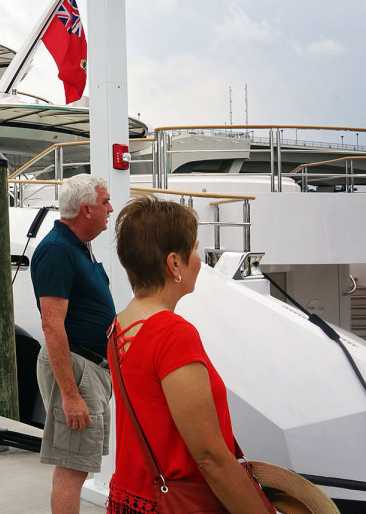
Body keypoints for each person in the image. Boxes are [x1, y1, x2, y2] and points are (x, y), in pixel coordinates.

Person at [107, 196, 272, 514]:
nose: (199, 259)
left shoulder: (119, 327)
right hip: (175, 504)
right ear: (174, 264)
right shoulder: (172, 333)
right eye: (195, 250)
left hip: (131, 499)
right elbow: (209, 457)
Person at [31, 173, 116, 514]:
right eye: (105, 202)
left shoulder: (78, 246)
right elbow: (52, 326)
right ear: (86, 210)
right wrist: (70, 395)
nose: (110, 208)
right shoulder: (58, 250)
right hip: (77, 368)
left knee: (78, 464)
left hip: (89, 368)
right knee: (71, 468)